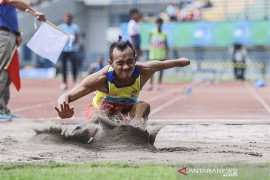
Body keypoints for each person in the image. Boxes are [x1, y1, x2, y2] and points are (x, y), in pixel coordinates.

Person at [55, 36, 190, 125]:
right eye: (120, 63)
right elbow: (66, 96)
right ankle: (82, 134)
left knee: (143, 106)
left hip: (124, 117)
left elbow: (165, 64)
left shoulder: (143, 71)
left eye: (130, 62)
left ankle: (134, 138)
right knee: (97, 118)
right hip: (99, 117)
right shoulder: (101, 79)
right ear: (111, 63)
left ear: (135, 60)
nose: (126, 67)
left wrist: (183, 61)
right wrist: (63, 111)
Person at [0, 0, 46, 121]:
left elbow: (11, 12)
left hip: (9, 33)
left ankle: (3, 109)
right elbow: (12, 1)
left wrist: (17, 33)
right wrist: (34, 11)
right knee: (2, 71)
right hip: (2, 34)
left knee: (7, 73)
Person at [58, 12, 80, 91]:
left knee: (74, 66)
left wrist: (77, 45)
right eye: (66, 18)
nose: (67, 20)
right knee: (64, 67)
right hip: (64, 49)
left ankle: (75, 81)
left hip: (72, 49)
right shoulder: (61, 27)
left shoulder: (75, 27)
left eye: (68, 18)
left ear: (71, 19)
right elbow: (58, 36)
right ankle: (64, 83)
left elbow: (77, 37)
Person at [147, 18, 168, 91]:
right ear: (156, 23)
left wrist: (166, 55)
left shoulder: (164, 33)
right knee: (151, 70)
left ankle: (159, 84)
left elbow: (166, 45)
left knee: (161, 70)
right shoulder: (152, 32)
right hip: (153, 54)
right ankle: (150, 84)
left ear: (162, 24)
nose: (159, 24)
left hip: (161, 54)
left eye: (160, 23)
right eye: (158, 23)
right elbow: (150, 41)